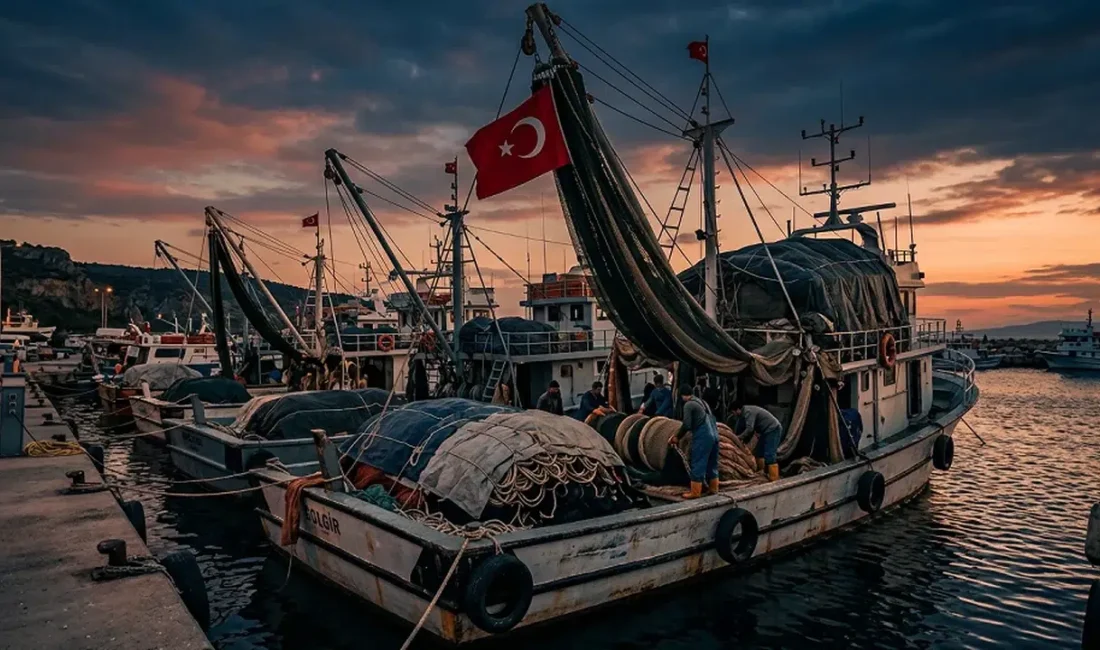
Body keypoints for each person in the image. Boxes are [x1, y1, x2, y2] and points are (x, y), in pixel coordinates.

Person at [669, 384, 719, 499]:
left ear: (682, 395)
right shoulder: (703, 402)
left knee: (698, 462)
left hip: (703, 436)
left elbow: (687, 424)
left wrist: (677, 437)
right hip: (715, 434)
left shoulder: (689, 404)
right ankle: (714, 488)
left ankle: (695, 492)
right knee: (712, 463)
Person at [731, 400, 783, 481]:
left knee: (769, 454)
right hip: (764, 432)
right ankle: (764, 473)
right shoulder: (743, 414)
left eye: (733, 412)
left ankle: (774, 478)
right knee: (759, 453)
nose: (733, 414)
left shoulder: (748, 412)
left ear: (738, 410)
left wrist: (739, 438)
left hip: (773, 429)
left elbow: (749, 428)